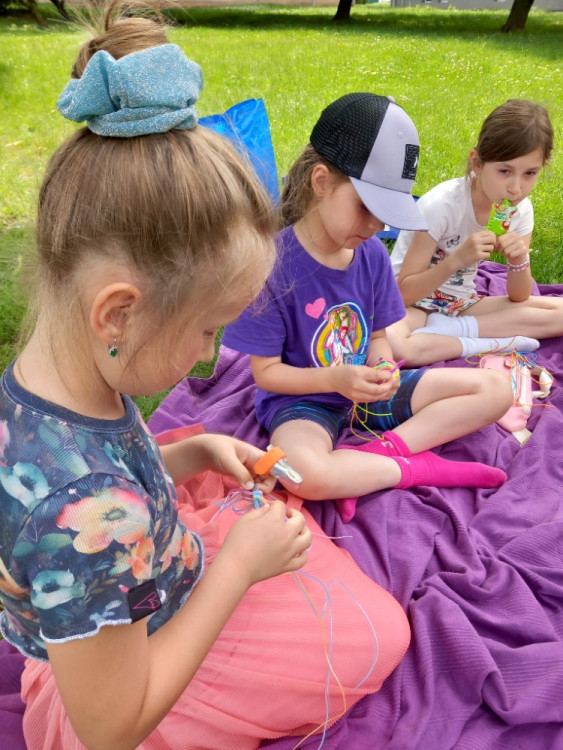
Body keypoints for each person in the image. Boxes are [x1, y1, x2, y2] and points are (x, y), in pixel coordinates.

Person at [0, 7, 413, 749]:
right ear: (118, 314)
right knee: (376, 633)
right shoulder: (85, 505)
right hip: (120, 682)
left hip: (144, 578)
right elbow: (111, 726)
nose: (205, 357)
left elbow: (98, 488)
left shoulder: (57, 382)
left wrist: (194, 453)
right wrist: (237, 571)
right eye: (203, 330)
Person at [222, 93, 513, 524]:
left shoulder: (372, 254)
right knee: (300, 472)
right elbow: (266, 374)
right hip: (305, 405)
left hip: (368, 396)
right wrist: (334, 379)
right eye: (367, 208)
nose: (377, 225)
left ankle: (381, 454)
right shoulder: (272, 266)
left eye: (386, 213)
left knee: (495, 390)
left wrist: (382, 367)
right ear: (321, 182)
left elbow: (378, 337)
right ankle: (411, 469)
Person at [386, 98, 563, 367]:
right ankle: (492, 342)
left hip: (462, 304)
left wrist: (519, 261)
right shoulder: (442, 205)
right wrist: (457, 260)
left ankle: (452, 330)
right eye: (504, 171)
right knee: (393, 344)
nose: (516, 187)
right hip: (413, 306)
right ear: (477, 163)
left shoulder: (521, 211)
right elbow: (403, 293)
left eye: (530, 173)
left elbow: (519, 296)